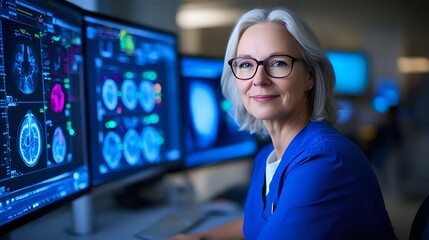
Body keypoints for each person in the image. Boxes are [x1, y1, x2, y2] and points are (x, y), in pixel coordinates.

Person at [170, 7, 397, 240]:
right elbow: (264, 223)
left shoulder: (325, 162)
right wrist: (202, 237)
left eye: (278, 63)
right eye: (246, 64)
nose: (259, 79)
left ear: (310, 75)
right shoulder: (267, 157)